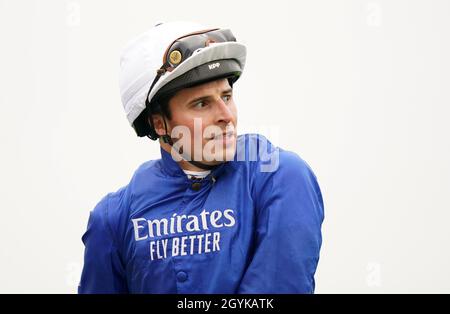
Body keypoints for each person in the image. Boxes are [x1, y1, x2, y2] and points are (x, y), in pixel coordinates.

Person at [78, 21, 324, 294]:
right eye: (201, 104)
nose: (226, 116)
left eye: (226, 96)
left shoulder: (281, 177)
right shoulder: (112, 218)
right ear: (160, 124)